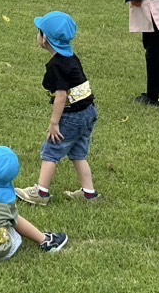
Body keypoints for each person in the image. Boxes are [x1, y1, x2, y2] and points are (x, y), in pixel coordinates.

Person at [15, 11, 100, 205]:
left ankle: (41, 193)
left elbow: (61, 96)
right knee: (78, 153)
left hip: (73, 116)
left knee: (51, 152)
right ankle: (89, 194)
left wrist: (54, 123)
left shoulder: (56, 65)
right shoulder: (71, 57)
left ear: (44, 38)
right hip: (88, 112)